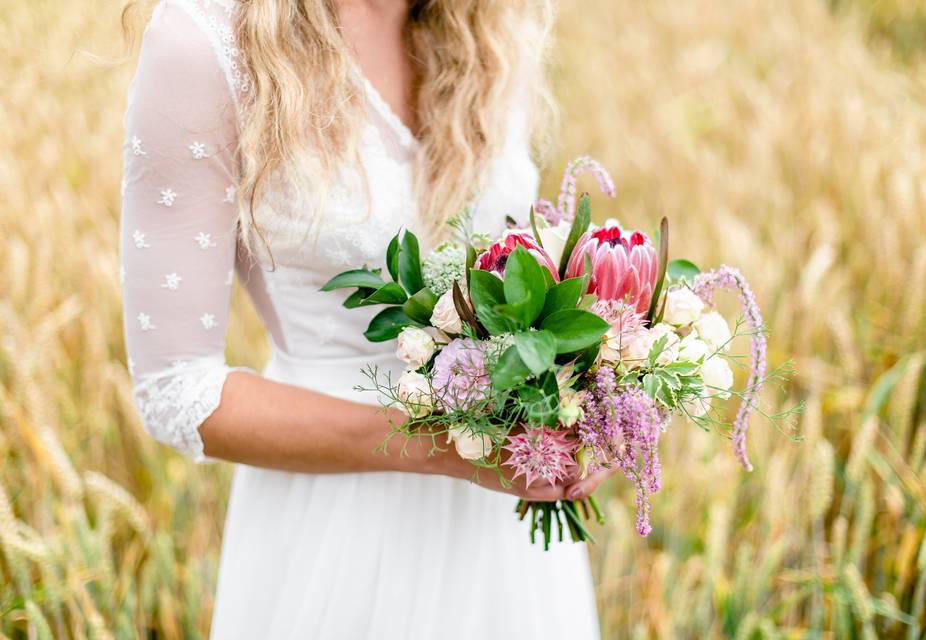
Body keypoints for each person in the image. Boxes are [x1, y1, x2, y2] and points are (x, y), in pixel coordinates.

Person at [120, 1, 607, 636]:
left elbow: (513, 267)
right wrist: (452, 452)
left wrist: (591, 396)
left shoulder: (487, 26)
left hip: (507, 534)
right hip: (334, 534)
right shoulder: (207, 43)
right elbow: (176, 391)